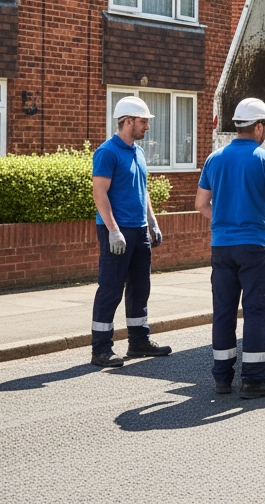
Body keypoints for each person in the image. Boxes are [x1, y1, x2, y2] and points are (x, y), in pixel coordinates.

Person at [195, 98, 265, 398]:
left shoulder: (214, 159)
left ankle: (222, 378)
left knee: (224, 312)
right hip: (254, 247)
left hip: (221, 247)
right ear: (258, 126)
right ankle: (253, 380)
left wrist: (224, 219)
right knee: (255, 313)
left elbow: (201, 205)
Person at [89, 96, 172, 367]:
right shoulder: (107, 152)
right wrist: (113, 230)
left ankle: (138, 342)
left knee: (140, 287)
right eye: (143, 122)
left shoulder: (138, 151)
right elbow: (99, 193)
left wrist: (152, 221)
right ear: (127, 121)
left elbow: (142, 189)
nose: (147, 127)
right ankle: (101, 348)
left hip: (138, 230)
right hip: (117, 230)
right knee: (111, 288)